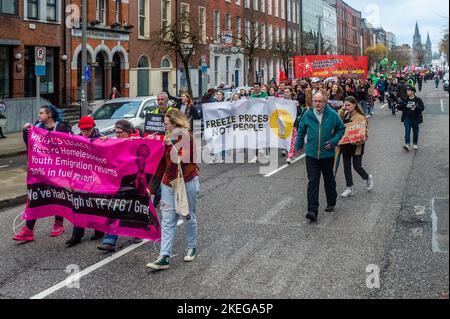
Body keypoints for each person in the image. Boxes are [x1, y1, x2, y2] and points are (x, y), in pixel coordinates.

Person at [146, 109, 200, 270]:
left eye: (167, 124)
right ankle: (164, 256)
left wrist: (172, 145)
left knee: (188, 215)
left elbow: (184, 159)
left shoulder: (187, 137)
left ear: (176, 124)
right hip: (168, 183)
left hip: (187, 182)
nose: (164, 126)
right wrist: (151, 188)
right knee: (168, 220)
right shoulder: (166, 139)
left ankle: (191, 247)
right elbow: (161, 165)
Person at [13, 105, 72, 242]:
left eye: (41, 113)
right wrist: (26, 131)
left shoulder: (61, 128)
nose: (39, 115)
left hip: (56, 171)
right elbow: (30, 145)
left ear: (49, 114)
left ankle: (58, 224)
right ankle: (28, 230)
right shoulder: (37, 127)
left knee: (57, 197)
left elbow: (71, 145)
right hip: (39, 171)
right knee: (35, 197)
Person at [295, 92, 346, 222]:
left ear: (325, 102)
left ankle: (331, 201)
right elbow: (301, 130)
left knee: (329, 179)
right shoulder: (308, 114)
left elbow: (341, 129)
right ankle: (312, 210)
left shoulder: (332, 115)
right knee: (313, 181)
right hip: (311, 154)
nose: (317, 104)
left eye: (320, 101)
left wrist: (333, 141)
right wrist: (298, 144)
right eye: (315, 101)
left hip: (327, 154)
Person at [97, 120, 141, 252]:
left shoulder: (137, 141)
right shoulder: (116, 140)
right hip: (119, 182)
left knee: (134, 208)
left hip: (135, 181)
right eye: (115, 132)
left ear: (128, 132)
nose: (117, 135)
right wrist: (106, 140)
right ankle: (110, 240)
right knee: (116, 207)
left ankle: (137, 231)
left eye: (120, 132)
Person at [65, 116, 105, 247]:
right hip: (81, 177)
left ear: (93, 127)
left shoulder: (101, 139)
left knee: (96, 205)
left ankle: (99, 230)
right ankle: (77, 235)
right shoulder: (77, 140)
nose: (86, 132)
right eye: (83, 130)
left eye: (88, 129)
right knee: (79, 204)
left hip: (96, 178)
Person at [338, 97, 374, 198]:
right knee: (346, 167)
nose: (347, 107)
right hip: (345, 144)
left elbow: (365, 134)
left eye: (349, 105)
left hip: (356, 145)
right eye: (345, 105)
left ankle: (367, 177)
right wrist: (342, 109)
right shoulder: (345, 113)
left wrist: (357, 140)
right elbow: (337, 120)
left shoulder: (361, 117)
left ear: (354, 105)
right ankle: (349, 188)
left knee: (357, 166)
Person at [397, 86, 425, 151]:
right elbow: (403, 107)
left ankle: (415, 144)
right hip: (407, 118)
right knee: (407, 132)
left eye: (408, 90)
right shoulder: (406, 99)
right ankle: (407, 144)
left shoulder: (418, 100)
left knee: (415, 132)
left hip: (415, 118)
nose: (407, 91)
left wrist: (416, 107)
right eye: (407, 90)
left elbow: (422, 108)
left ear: (412, 92)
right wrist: (398, 106)